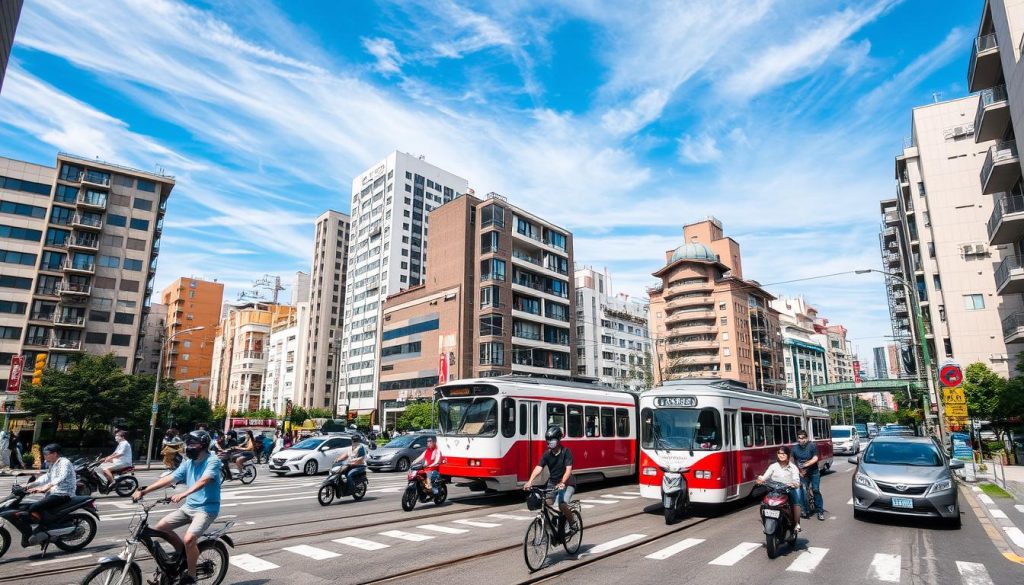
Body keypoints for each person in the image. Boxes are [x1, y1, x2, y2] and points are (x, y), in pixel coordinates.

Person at [133, 430, 222, 585]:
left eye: (193, 444)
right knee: (161, 528)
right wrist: (144, 491)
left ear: (203, 445)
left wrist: (184, 494)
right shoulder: (188, 463)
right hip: (189, 507)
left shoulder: (212, 461)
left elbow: (204, 480)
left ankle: (191, 577)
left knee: (189, 538)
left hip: (206, 509)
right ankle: (183, 556)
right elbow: (169, 479)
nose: (189, 447)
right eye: (188, 444)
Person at [523, 426, 578, 534]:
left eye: (552, 439)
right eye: (548, 440)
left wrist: (562, 482)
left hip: (567, 483)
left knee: (561, 505)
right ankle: (551, 532)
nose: (549, 442)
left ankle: (572, 524)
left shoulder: (566, 452)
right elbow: (539, 467)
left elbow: (568, 470)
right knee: (546, 505)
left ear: (558, 439)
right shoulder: (547, 454)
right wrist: (530, 481)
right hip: (552, 483)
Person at [22, 443, 76, 528]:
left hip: (63, 494)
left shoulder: (64, 462)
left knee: (34, 507)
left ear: (54, 454)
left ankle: (46, 527)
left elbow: (61, 476)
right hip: (54, 492)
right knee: (26, 504)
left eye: (46, 454)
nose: (44, 456)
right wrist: (29, 485)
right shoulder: (53, 464)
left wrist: (46, 487)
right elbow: (46, 477)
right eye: (44, 454)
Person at [756, 445, 803, 532]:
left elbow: (796, 479)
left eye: (784, 454)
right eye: (779, 453)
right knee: (764, 503)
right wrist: (760, 479)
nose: (781, 455)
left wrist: (795, 483)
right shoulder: (773, 466)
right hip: (774, 490)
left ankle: (796, 523)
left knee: (796, 503)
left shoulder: (793, 467)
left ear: (788, 455)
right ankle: (765, 522)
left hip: (788, 489)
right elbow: (765, 476)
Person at [793, 429, 825, 521]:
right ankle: (804, 510)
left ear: (806, 438)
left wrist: (806, 464)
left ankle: (820, 511)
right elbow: (793, 460)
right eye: (799, 438)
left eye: (803, 438)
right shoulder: (795, 448)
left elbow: (815, 458)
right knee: (802, 490)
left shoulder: (812, 446)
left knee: (815, 490)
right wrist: (798, 471)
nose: (801, 440)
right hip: (803, 474)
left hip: (814, 472)